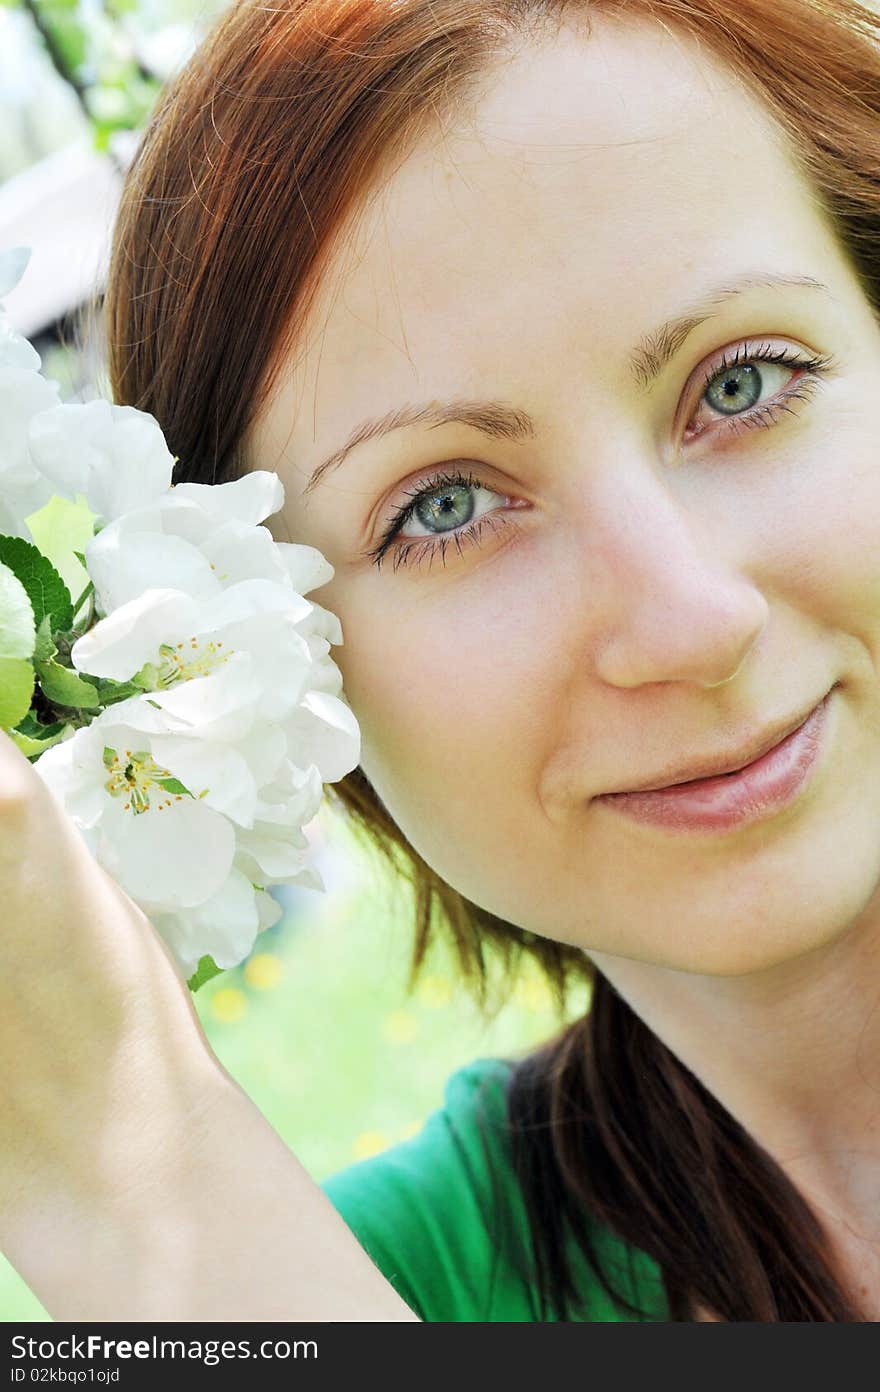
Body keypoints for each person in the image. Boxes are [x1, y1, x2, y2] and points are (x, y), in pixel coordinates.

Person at [4, 0, 880, 1322]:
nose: (691, 619)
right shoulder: (345, 1288)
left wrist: (141, 1194)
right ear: (278, 670)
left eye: (744, 383)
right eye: (448, 507)